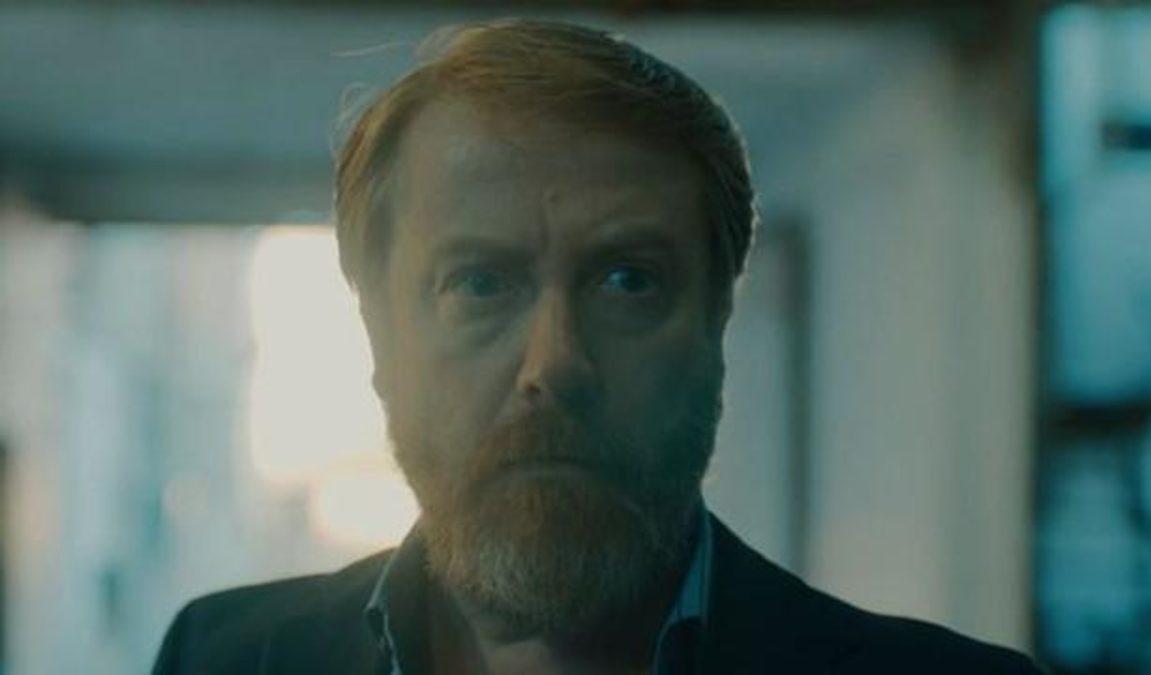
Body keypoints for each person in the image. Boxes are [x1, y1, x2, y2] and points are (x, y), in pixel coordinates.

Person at [153, 18, 1044, 675]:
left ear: (717, 326)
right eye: (479, 283)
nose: (554, 365)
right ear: (381, 339)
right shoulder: (222, 659)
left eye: (627, 280)